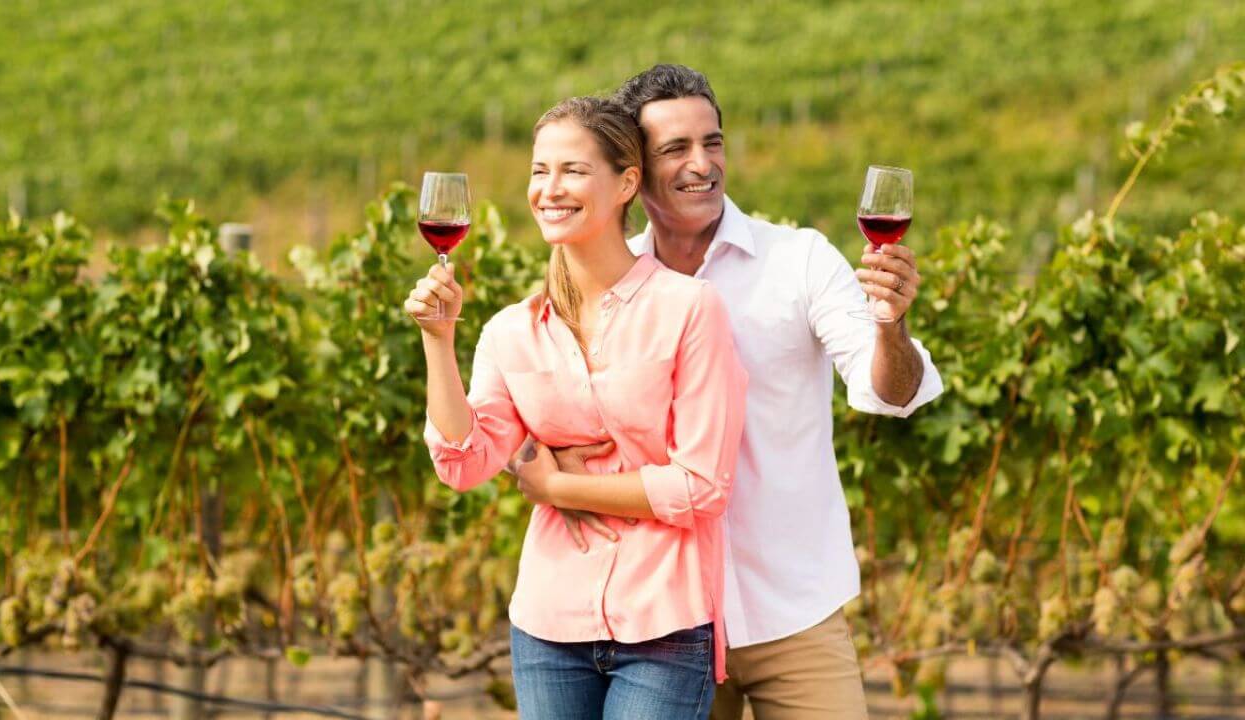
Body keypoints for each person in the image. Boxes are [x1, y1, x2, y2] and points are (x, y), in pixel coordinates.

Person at [529, 65, 945, 719]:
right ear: (633, 173)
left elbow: (888, 391)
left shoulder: (799, 261)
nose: (703, 164)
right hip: (665, 626)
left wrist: (891, 328)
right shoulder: (608, 282)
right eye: (676, 149)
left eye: (712, 142)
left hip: (796, 616)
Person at [403, 96, 749, 719]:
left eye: (572, 170)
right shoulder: (512, 331)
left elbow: (701, 487)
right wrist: (439, 340)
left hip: (663, 627)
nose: (550, 189)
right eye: (540, 170)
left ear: (626, 183)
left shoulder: (690, 310)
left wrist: (560, 485)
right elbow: (464, 463)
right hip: (547, 625)